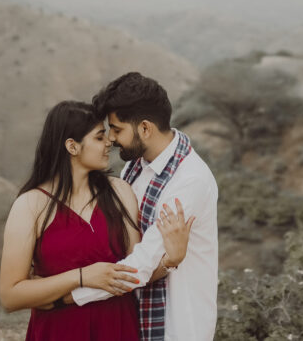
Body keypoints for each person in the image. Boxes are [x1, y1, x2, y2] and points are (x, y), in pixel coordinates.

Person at [0, 100, 194, 341]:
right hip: (59, 331)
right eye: (100, 137)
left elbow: (132, 274)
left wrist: (170, 261)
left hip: (117, 328)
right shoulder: (30, 205)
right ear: (72, 146)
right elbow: (10, 296)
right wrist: (81, 276)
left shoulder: (119, 192)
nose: (109, 142)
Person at [72, 73, 219, 341]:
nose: (111, 138)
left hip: (177, 326)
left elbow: (140, 266)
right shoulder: (134, 167)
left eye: (117, 129)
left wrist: (70, 293)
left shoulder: (188, 181)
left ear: (145, 129)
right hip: (134, 316)